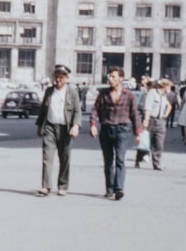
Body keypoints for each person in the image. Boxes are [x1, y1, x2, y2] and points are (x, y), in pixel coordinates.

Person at [89, 66, 142, 200]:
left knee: (120, 160)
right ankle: (109, 189)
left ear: (121, 79)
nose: (110, 79)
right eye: (109, 76)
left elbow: (135, 114)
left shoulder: (129, 95)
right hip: (106, 129)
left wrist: (138, 133)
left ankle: (119, 188)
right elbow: (95, 110)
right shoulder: (103, 93)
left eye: (113, 76)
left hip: (122, 130)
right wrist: (93, 125)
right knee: (108, 161)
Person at [34, 64, 82, 196]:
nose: (58, 80)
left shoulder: (72, 92)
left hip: (66, 129)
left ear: (67, 78)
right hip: (50, 127)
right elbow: (43, 110)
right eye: (56, 77)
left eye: (61, 77)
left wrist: (76, 126)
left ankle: (62, 185)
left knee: (65, 158)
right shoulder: (49, 91)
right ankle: (46, 186)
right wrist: (39, 126)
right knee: (47, 157)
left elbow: (78, 111)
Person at [141, 78, 172, 170]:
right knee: (146, 141)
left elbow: (169, 105)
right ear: (164, 86)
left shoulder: (163, 95)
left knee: (159, 143)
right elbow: (148, 107)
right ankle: (139, 157)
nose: (170, 88)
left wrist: (166, 114)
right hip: (151, 119)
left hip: (160, 121)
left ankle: (157, 163)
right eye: (169, 86)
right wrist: (146, 120)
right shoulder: (153, 93)